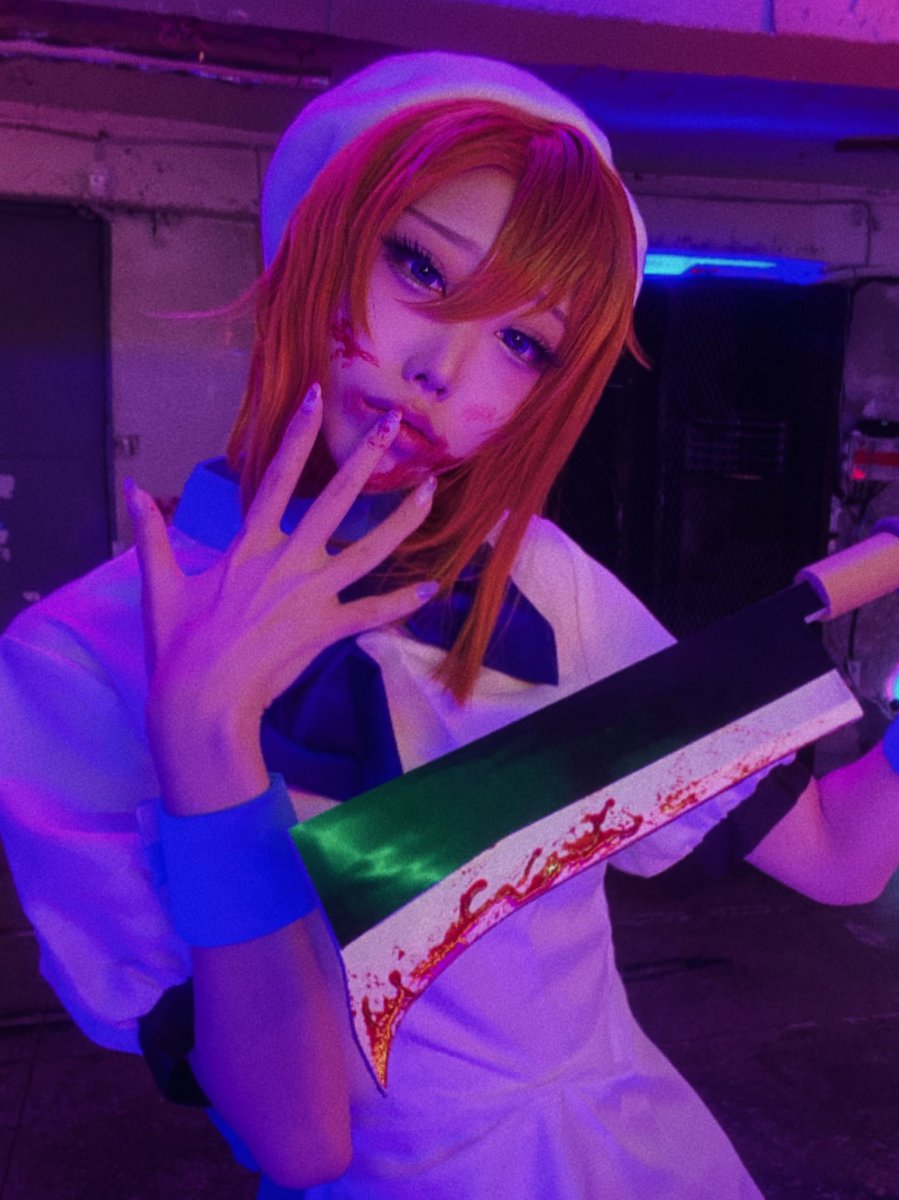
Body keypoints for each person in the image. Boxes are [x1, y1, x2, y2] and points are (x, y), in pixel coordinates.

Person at [1, 51, 898, 1200]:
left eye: (524, 345)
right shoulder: (76, 659)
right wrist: (208, 743)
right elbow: (300, 1135)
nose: (443, 373)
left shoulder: (540, 582)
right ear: (312, 237)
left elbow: (837, 858)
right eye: (418, 265)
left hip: (643, 1159)